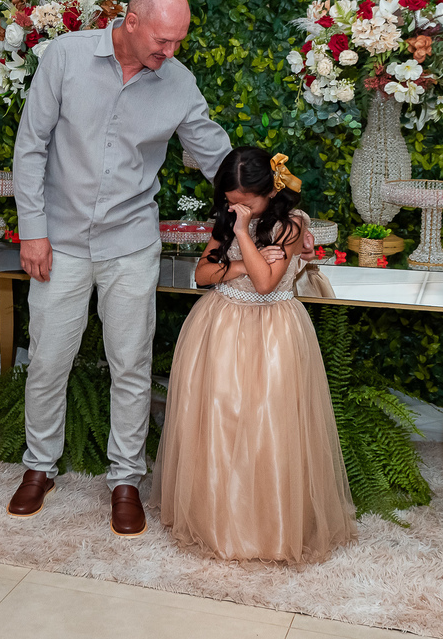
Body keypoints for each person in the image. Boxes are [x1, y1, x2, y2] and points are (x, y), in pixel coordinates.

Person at [8, 0, 235, 536]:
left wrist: (275, 209)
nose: (170, 51)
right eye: (162, 39)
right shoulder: (64, 57)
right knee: (47, 361)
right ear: (131, 22)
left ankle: (126, 479)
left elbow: (218, 158)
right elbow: (31, 145)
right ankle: (39, 467)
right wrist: (32, 231)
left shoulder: (178, 82)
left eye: (178, 41)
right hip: (58, 241)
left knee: (131, 366)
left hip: (131, 242)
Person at [152, 147, 357, 562]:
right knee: (221, 419)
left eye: (245, 203)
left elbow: (267, 285)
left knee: (270, 422)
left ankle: (270, 526)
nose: (236, 210)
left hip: (274, 333)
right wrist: (244, 264)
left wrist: (244, 236)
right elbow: (203, 274)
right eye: (231, 202)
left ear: (270, 193)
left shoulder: (292, 225)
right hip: (222, 326)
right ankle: (218, 517)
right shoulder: (228, 218)